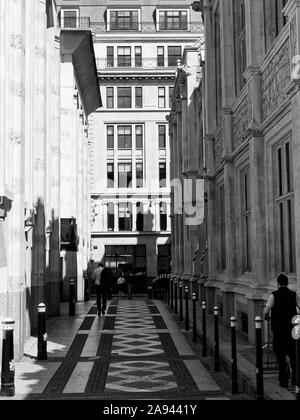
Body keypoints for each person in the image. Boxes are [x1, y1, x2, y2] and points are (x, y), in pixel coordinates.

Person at [264, 273, 300, 388]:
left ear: (277, 283)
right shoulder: (294, 295)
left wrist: (267, 316)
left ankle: (283, 380)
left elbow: (266, 310)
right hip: (291, 330)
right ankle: (295, 379)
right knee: (293, 355)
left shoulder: (273, 295)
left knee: (280, 356)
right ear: (287, 283)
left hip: (279, 330)